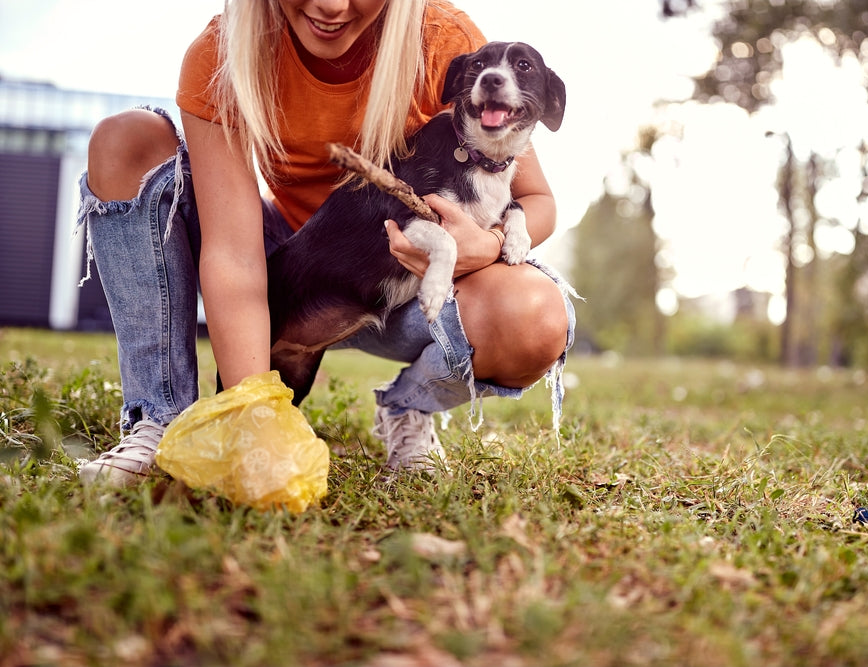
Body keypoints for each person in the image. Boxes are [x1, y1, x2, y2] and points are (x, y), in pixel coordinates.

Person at [76, 0, 575, 487]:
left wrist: (485, 247)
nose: (332, 6)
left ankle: (408, 408)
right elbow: (233, 253)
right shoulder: (224, 51)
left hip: (410, 285)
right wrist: (253, 417)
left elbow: (537, 199)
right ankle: (160, 417)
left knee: (536, 317)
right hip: (288, 266)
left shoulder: (444, 40)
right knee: (127, 139)